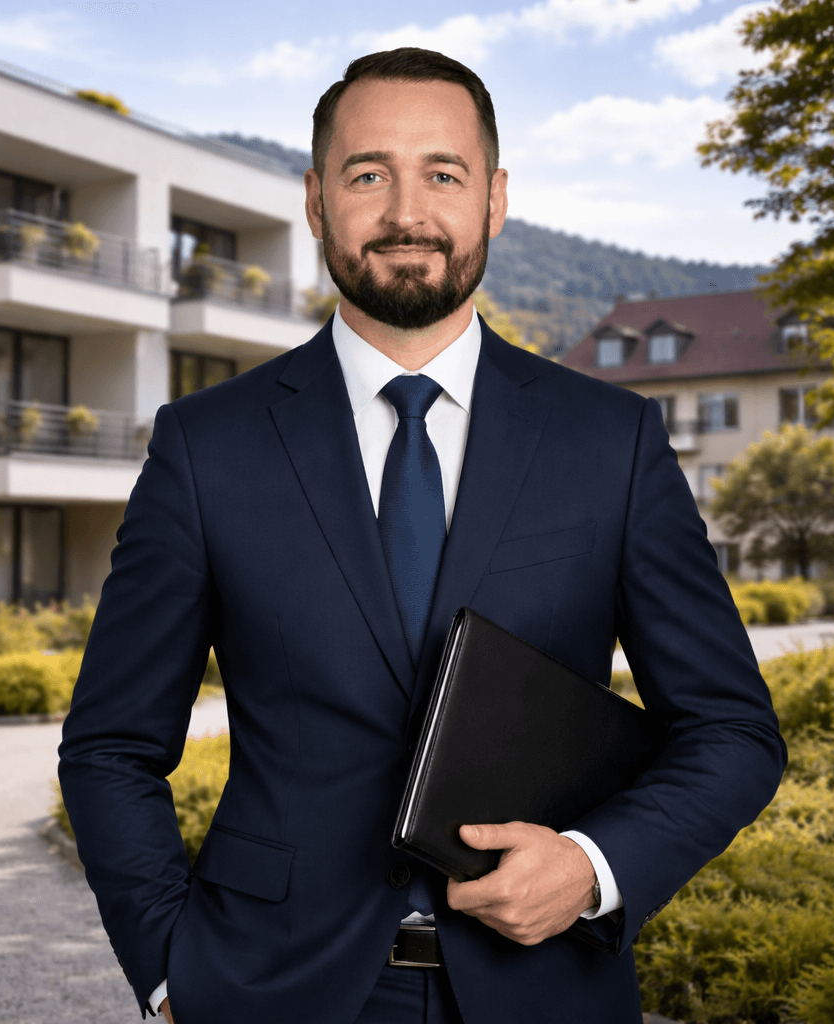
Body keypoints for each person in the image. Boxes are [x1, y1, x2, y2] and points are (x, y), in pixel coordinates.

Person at [58, 48, 785, 1024]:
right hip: (271, 992)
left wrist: (593, 865)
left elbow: (731, 729)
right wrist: (167, 970)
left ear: (495, 198)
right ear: (317, 201)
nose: (407, 211)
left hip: (546, 990)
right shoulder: (206, 447)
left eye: (444, 173)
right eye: (369, 174)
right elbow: (110, 744)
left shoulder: (611, 442)